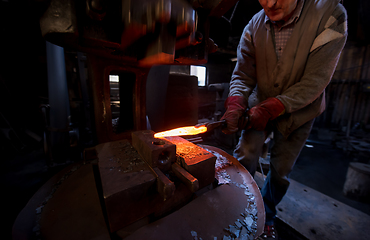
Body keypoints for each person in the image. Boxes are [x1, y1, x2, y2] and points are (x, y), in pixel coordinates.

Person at [221, 0, 347, 239]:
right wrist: (237, 101)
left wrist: (274, 107)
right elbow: (243, 74)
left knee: (280, 171)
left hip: (300, 112)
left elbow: (316, 80)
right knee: (246, 155)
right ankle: (238, 205)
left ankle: (267, 212)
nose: (270, 3)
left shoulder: (330, 15)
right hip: (258, 105)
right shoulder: (253, 26)